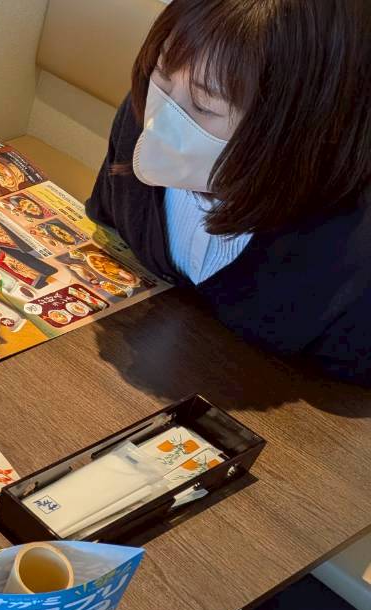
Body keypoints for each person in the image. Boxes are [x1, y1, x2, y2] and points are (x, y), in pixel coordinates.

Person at [87, 0, 371, 384]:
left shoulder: (349, 257)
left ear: (298, 127)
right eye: (162, 74)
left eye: (204, 106)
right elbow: (110, 232)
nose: (160, 119)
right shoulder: (142, 122)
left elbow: (340, 403)